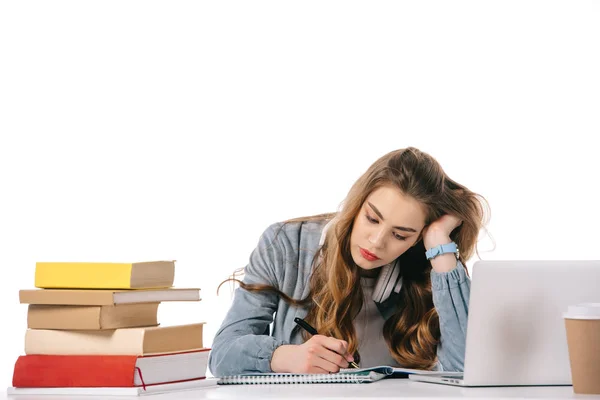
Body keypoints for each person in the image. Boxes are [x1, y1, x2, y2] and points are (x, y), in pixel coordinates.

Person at [209, 147, 489, 377]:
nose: (377, 242)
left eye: (400, 234)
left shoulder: (426, 267)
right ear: (357, 204)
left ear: (417, 239)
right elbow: (222, 355)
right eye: (372, 218)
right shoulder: (285, 244)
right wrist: (285, 356)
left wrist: (440, 247)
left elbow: (466, 371)